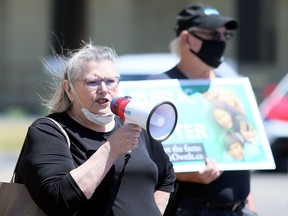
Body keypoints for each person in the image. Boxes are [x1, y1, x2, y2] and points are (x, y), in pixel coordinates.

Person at [14, 43, 175, 216]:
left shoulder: (134, 126)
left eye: (110, 81)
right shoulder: (48, 131)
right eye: (92, 82)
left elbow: (166, 177)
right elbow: (58, 200)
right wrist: (111, 149)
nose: (103, 90)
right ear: (69, 89)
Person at [149, 3, 258, 216]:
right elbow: (147, 157)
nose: (220, 41)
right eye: (211, 34)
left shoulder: (230, 88)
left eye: (224, 35)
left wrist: (249, 206)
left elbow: (244, 156)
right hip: (191, 208)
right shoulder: (160, 88)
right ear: (186, 39)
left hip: (239, 210)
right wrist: (185, 174)